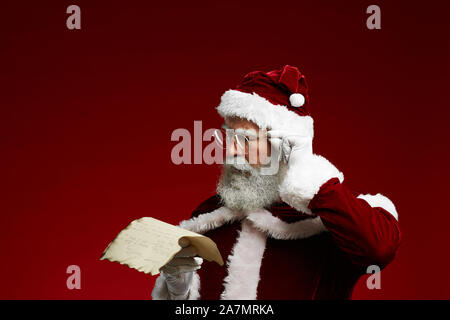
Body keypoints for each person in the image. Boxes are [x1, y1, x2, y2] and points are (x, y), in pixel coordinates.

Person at [151, 65, 401, 300]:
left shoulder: (336, 214)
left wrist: (311, 178)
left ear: (284, 146)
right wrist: (178, 288)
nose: (231, 151)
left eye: (245, 139)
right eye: (228, 135)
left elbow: (377, 250)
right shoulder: (208, 217)